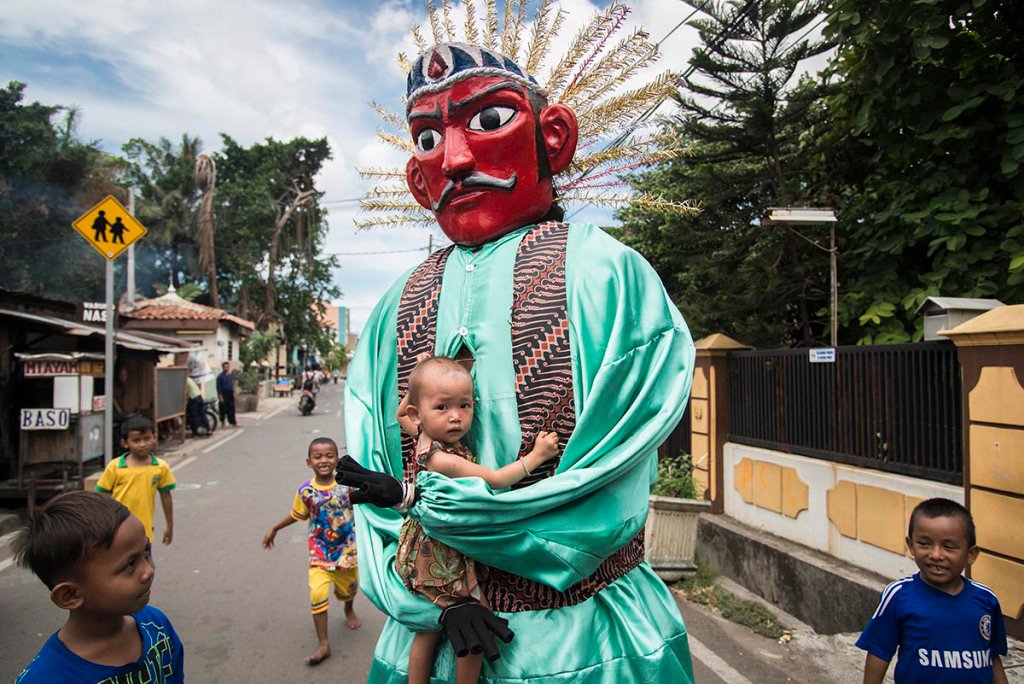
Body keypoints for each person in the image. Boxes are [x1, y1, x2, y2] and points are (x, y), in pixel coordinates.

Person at [337, 32, 696, 684]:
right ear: (418, 181)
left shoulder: (607, 274)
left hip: (584, 642)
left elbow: (607, 483)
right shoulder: (397, 305)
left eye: (490, 120)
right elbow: (374, 483)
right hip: (433, 629)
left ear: (553, 137)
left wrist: (439, 517)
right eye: (426, 140)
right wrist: (432, 600)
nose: (455, 157)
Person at [395, 356, 559, 684]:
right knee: (477, 623)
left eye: (465, 405)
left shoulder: (420, 434)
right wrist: (536, 457)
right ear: (419, 413)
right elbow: (496, 479)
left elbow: (401, 413)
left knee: (428, 630)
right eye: (442, 407)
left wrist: (428, 370)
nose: (456, 416)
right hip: (442, 556)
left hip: (420, 548)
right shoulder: (441, 458)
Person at [11, 491, 184, 683]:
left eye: (147, 551)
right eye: (129, 565)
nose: (148, 570)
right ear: (70, 595)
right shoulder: (44, 678)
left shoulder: (156, 625)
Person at [857, 498, 1008, 684]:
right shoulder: (899, 595)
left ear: (970, 554)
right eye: (925, 544)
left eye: (949, 547)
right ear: (911, 545)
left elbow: (992, 656)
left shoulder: (986, 598)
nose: (936, 555)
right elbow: (879, 652)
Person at [262, 437, 362, 665]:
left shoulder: (348, 486)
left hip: (347, 554)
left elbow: (367, 510)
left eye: (329, 455)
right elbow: (297, 514)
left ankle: (348, 608)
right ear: (309, 462)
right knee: (317, 595)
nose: (324, 460)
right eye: (318, 457)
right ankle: (324, 644)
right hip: (319, 555)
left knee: (349, 591)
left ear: (337, 459)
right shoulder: (305, 491)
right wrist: (274, 528)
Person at [95, 415, 175, 546]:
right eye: (136, 440)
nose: (142, 444)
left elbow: (166, 495)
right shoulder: (115, 467)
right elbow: (101, 497)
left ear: (154, 438)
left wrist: (170, 526)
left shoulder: (160, 467)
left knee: (144, 565)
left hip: (145, 531)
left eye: (147, 438)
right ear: (125, 443)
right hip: (117, 531)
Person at [216, 362, 238, 427]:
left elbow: (231, 385)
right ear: (223, 367)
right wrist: (220, 396)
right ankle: (223, 422)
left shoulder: (229, 375)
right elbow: (218, 387)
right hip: (224, 394)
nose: (227, 368)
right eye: (225, 367)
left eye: (228, 367)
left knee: (231, 408)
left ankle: (233, 422)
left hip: (230, 393)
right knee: (223, 409)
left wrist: (233, 393)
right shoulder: (220, 377)